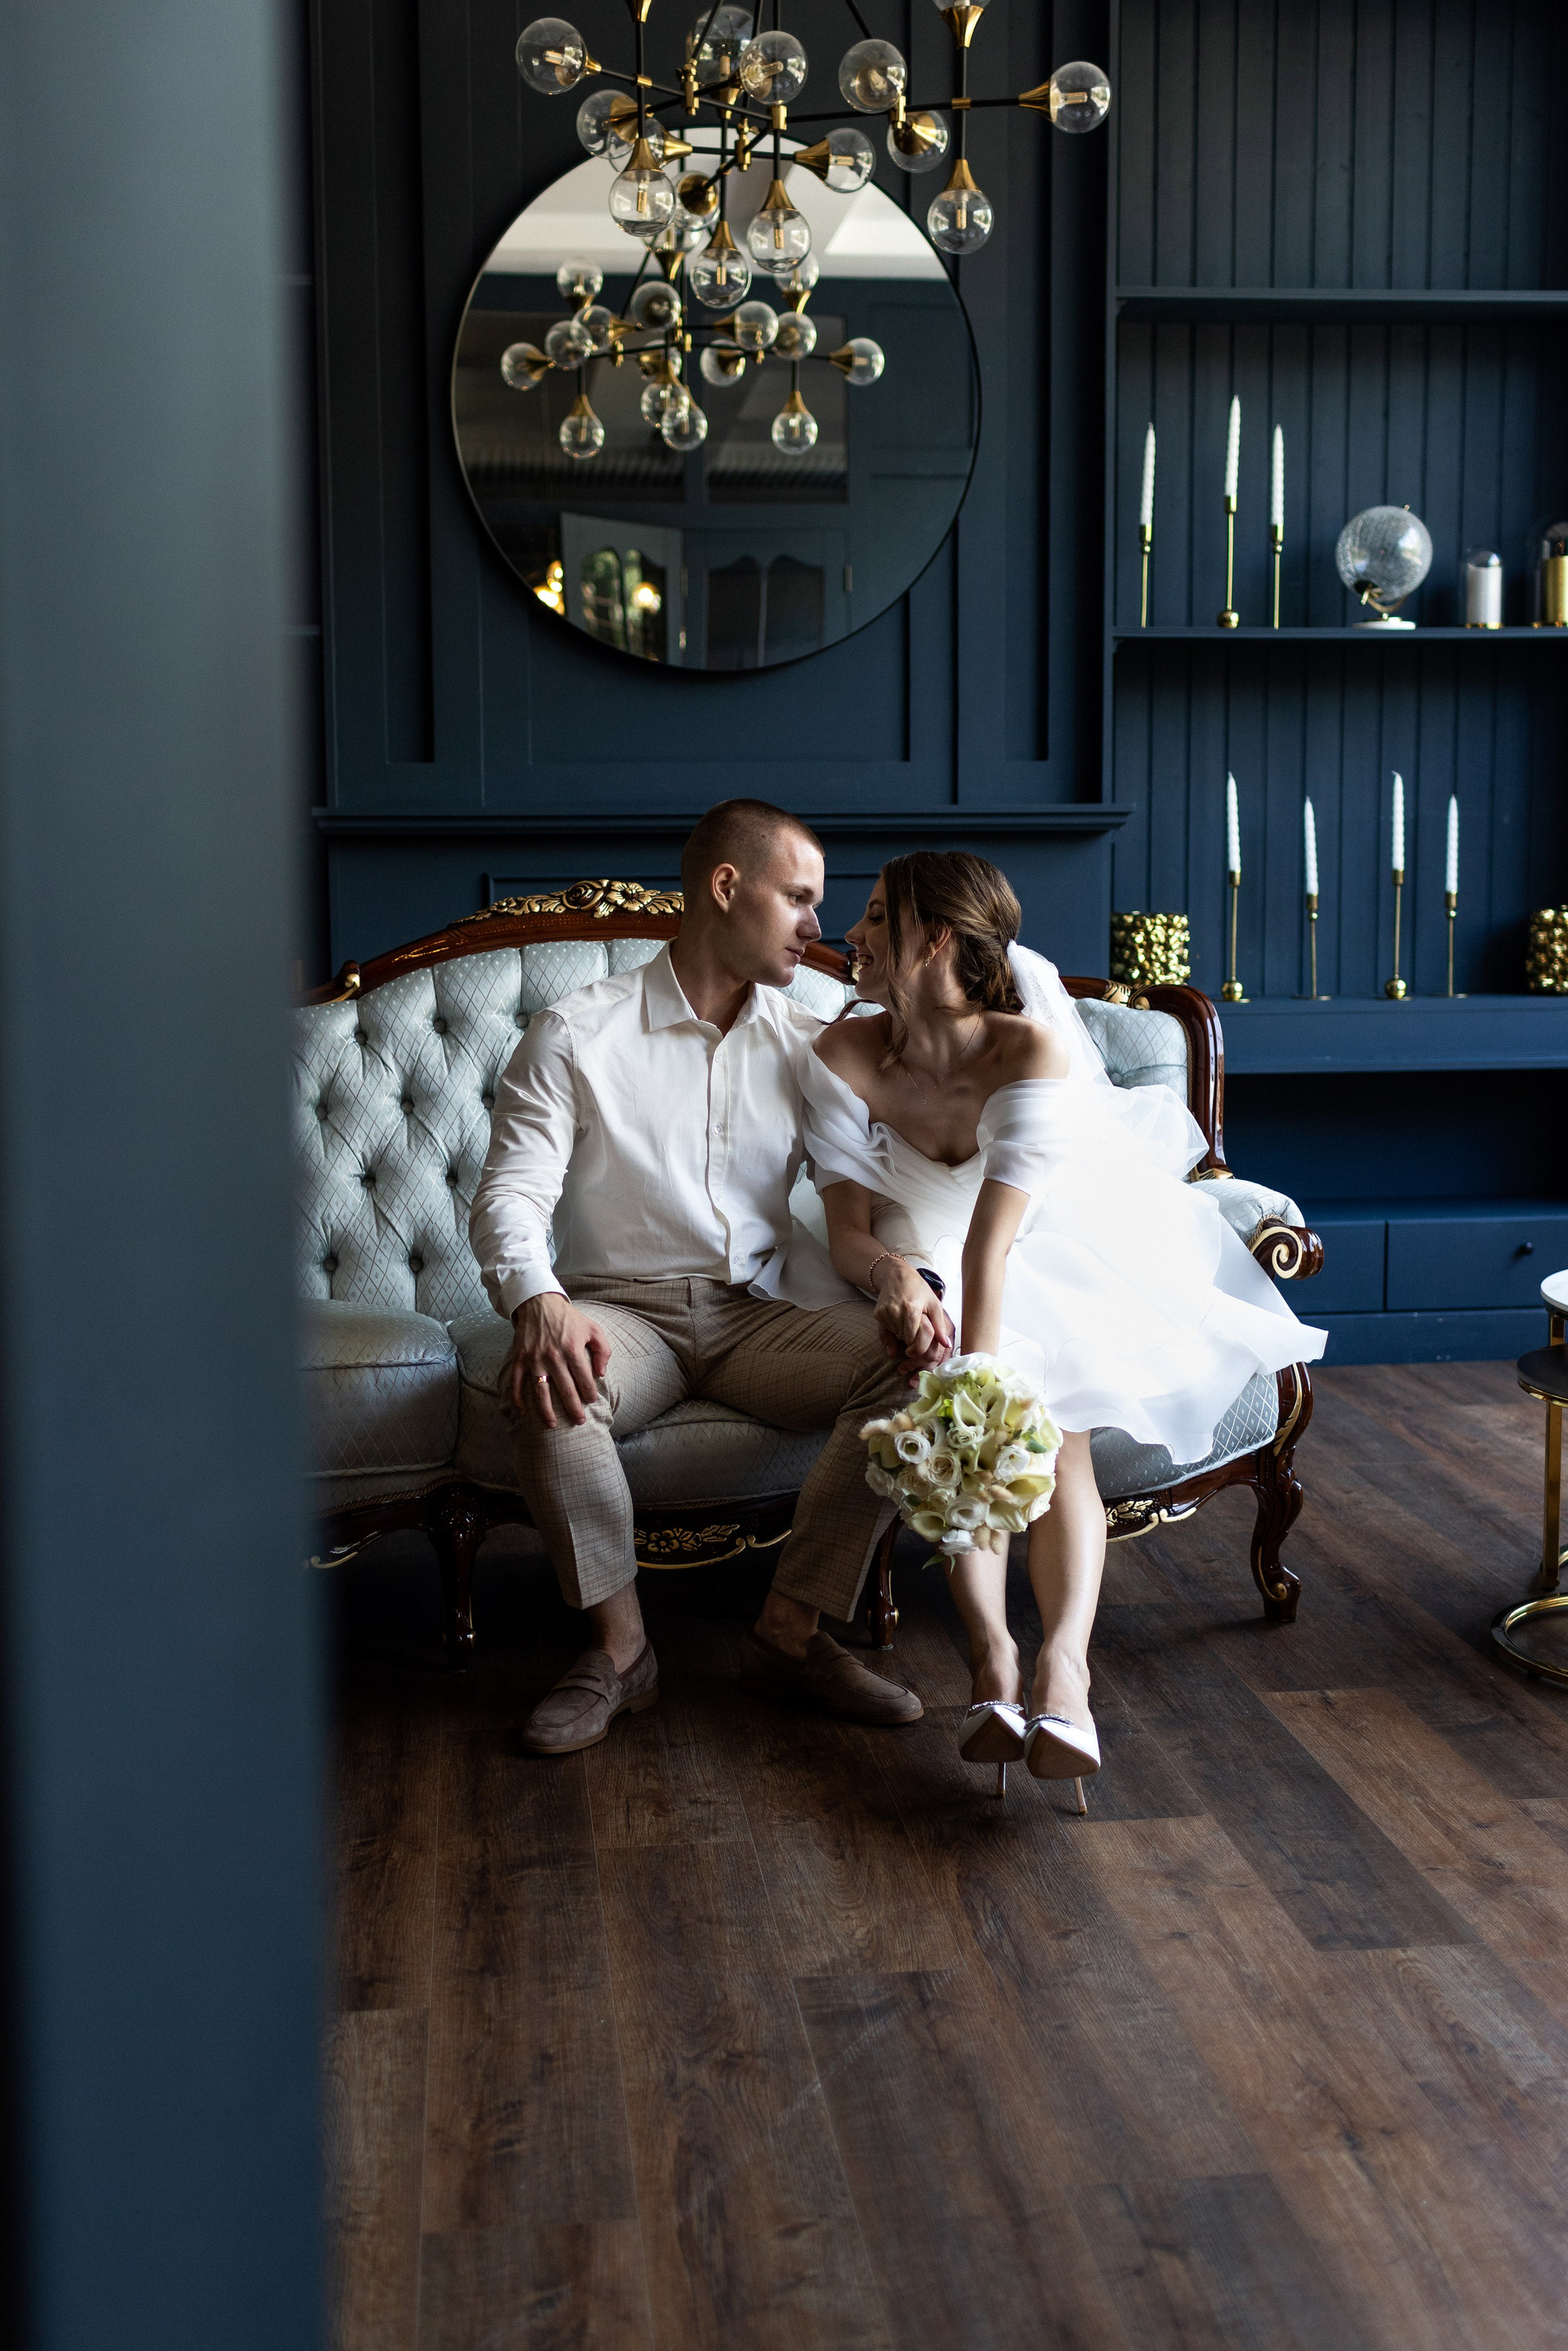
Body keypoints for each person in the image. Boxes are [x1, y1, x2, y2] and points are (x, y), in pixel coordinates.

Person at [795, 849, 1326, 1796]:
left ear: (936, 938)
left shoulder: (1029, 1048)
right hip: (914, 1253)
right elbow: (846, 1232)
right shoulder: (840, 1053)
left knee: (1048, 1423)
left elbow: (994, 1245)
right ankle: (992, 1663)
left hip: (1034, 1239)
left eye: (876, 915)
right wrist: (900, 1285)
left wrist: (979, 1383)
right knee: (959, 1417)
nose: (853, 933)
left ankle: (1064, 1672)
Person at [468, 800, 947, 1756]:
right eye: (798, 897)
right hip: (623, 1313)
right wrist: (540, 1301)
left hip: (765, 1315)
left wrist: (906, 1275)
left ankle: (789, 1635)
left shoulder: (812, 1045)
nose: (818, 923)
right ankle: (622, 1651)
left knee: (914, 1365)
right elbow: (510, 1194)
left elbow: (865, 1210)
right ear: (726, 887)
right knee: (550, 1386)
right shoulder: (576, 1032)